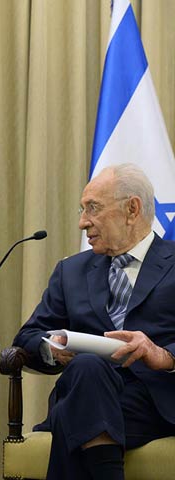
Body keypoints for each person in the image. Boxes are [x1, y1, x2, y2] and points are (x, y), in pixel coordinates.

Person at [13, 163, 175, 480]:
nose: (82, 222)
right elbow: (26, 337)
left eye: (93, 209)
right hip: (87, 388)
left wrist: (163, 355)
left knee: (70, 416)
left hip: (154, 404)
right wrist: (51, 348)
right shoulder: (70, 271)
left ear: (132, 209)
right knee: (88, 368)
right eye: (82, 209)